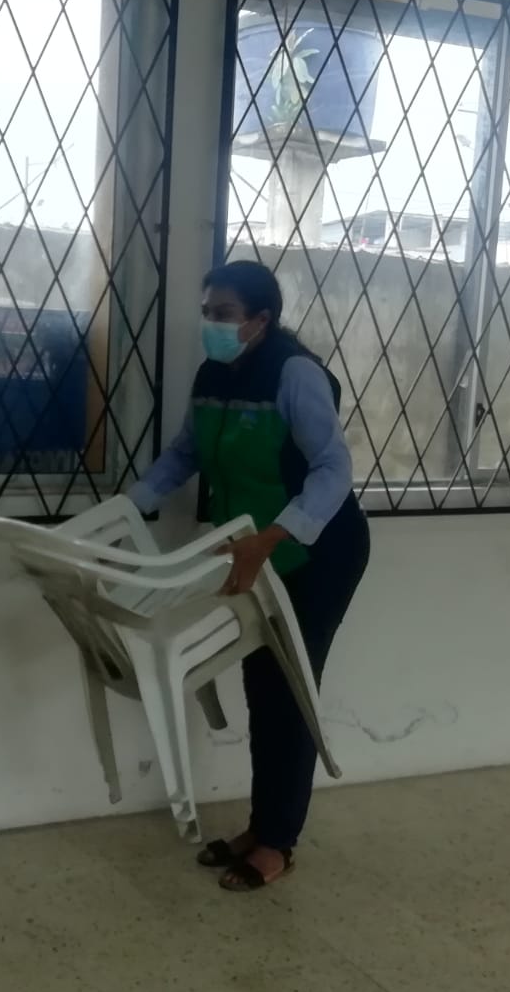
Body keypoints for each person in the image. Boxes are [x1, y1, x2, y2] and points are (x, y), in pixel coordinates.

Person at [127, 261, 370, 891]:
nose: (211, 323)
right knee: (262, 684)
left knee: (290, 688)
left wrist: (272, 538)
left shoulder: (294, 374)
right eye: (207, 312)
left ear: (261, 320)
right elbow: (185, 453)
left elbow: (333, 468)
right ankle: (264, 826)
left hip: (317, 551)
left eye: (225, 314)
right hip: (252, 554)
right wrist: (129, 508)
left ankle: (279, 842)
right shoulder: (213, 376)